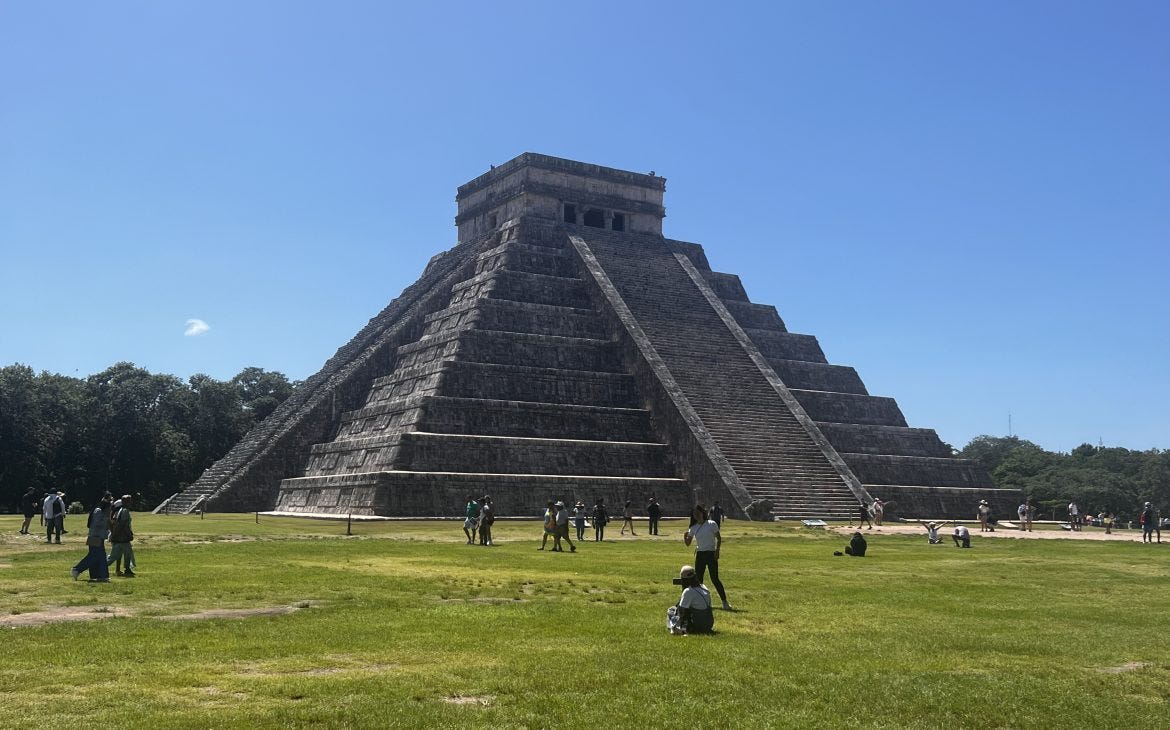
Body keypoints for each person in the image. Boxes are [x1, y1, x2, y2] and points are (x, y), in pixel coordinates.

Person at [684, 504, 733, 611]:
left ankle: (725, 602)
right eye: (694, 513)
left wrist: (717, 551)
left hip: (711, 554)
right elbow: (688, 543)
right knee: (698, 580)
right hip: (700, 555)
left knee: (715, 578)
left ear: (703, 512)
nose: (696, 515)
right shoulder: (693, 527)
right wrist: (685, 537)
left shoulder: (711, 524)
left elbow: (719, 539)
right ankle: (700, 602)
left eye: (698, 512)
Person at [71, 494, 112, 582]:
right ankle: (77, 569)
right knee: (94, 557)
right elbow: (96, 524)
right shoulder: (98, 511)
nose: (110, 510)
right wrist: (106, 519)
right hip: (95, 537)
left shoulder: (102, 512)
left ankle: (99, 575)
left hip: (98, 537)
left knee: (99, 557)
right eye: (109, 508)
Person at [667, 565, 714, 635]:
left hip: (697, 626)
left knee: (671, 610)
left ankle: (675, 629)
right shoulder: (703, 587)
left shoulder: (688, 591)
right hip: (708, 625)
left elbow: (681, 611)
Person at [107, 495, 136, 577]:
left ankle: (127, 569)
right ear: (125, 502)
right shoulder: (125, 511)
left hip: (120, 537)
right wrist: (129, 534)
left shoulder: (120, 510)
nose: (131, 502)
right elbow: (123, 525)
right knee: (113, 557)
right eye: (129, 501)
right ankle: (100, 567)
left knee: (127, 554)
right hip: (122, 538)